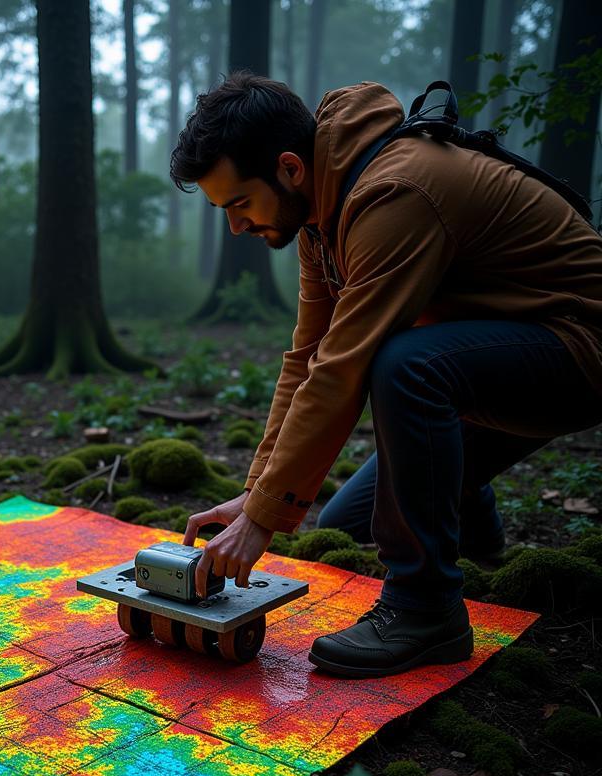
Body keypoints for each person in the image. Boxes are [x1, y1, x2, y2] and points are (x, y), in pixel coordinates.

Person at [171, 72, 602, 679]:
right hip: (497, 358)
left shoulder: (395, 192)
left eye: (239, 203)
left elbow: (344, 364)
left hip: (577, 347)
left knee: (406, 363)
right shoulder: (321, 212)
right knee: (347, 523)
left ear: (290, 168)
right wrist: (256, 493)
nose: (235, 227)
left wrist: (263, 520)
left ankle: (427, 610)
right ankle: (477, 543)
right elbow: (307, 356)